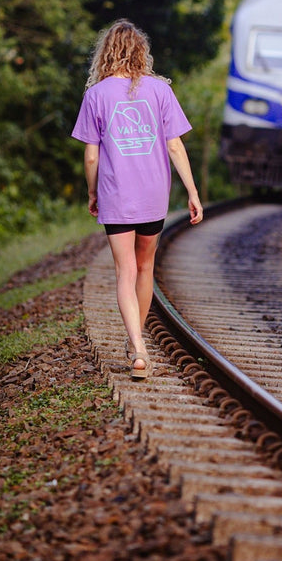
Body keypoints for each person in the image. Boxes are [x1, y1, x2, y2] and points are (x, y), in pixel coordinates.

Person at [71, 20, 203, 379]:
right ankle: (137, 342)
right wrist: (192, 192)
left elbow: (91, 156)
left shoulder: (95, 95)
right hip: (153, 195)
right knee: (145, 268)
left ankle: (138, 348)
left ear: (106, 53)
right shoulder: (160, 91)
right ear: (140, 51)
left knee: (124, 271)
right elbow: (175, 145)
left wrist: (93, 191)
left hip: (116, 195)